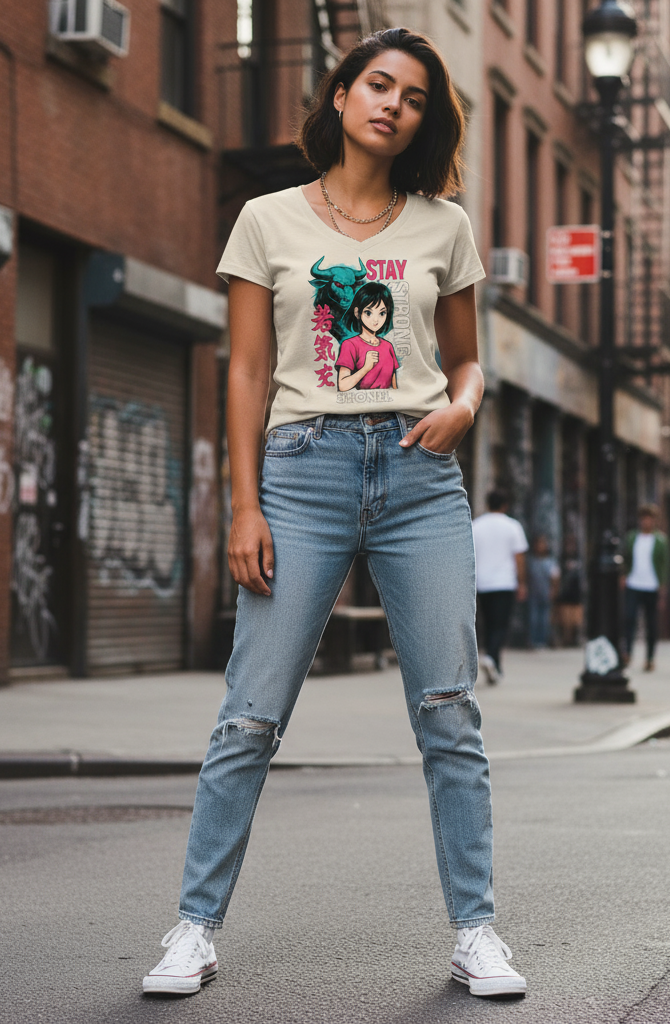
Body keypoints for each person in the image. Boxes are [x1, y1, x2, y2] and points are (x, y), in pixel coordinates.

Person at [142, 28, 526, 999]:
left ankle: (475, 929)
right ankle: (192, 926)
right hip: (301, 472)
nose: (390, 104)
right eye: (376, 84)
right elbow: (240, 373)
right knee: (250, 715)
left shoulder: (443, 225)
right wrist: (242, 506)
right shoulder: (265, 219)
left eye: (411, 97)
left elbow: (468, 357)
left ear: (421, 121)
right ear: (343, 92)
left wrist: (463, 404)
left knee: (447, 709)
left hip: (417, 473)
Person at [472, 490, 529, 683]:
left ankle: (494, 663)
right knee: (500, 625)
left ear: (487, 504)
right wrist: (522, 582)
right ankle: (492, 658)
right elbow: (519, 558)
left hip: (481, 583)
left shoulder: (475, 526)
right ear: (505, 505)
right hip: (504, 582)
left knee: (488, 623)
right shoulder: (512, 526)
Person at [621, 504, 669, 670]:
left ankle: (650, 658)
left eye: (649, 518)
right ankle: (627, 653)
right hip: (633, 584)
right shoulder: (632, 537)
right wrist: (624, 576)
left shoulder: (661, 540)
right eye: (643, 518)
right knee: (629, 619)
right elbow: (626, 558)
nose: (646, 522)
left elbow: (664, 566)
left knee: (651, 624)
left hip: (652, 586)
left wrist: (662, 589)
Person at [527, 534, 560, 648]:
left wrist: (553, 591)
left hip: (545, 593)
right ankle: (533, 640)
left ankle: (542, 641)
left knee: (544, 619)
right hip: (533, 593)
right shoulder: (531, 561)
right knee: (534, 618)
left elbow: (555, 578)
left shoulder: (550, 561)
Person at [555, 532, 585, 647]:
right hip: (565, 591)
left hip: (575, 591)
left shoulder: (579, 558)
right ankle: (565, 639)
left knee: (575, 619)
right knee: (565, 618)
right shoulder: (562, 559)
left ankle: (574, 638)